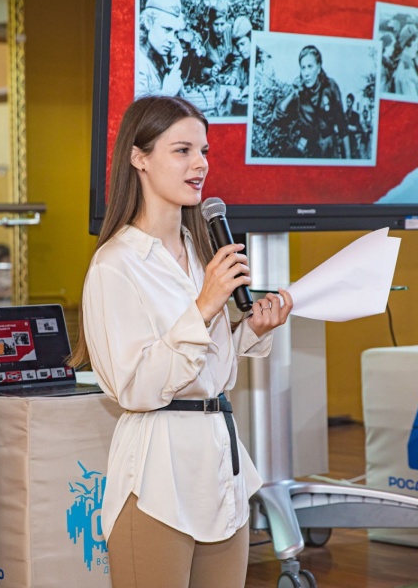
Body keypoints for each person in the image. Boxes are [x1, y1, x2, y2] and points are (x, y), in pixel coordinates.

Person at [70, 95, 293, 587]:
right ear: (139, 158)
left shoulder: (202, 252)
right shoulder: (115, 265)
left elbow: (208, 367)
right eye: (182, 150)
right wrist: (204, 307)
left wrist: (250, 331)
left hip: (221, 465)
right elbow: (135, 387)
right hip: (157, 473)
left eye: (204, 151)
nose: (200, 164)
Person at [273, 45, 348, 158]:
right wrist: (293, 94)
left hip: (329, 149)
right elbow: (277, 116)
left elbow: (342, 125)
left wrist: (348, 159)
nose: (306, 73)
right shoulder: (299, 92)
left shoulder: (330, 87)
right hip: (308, 150)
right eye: (303, 68)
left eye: (310, 67)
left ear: (318, 68)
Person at [135, 0, 186, 97]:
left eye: (175, 33)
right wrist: (167, 93)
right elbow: (137, 105)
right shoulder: (138, 62)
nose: (172, 39)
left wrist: (175, 65)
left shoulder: (159, 58)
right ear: (149, 22)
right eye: (167, 29)